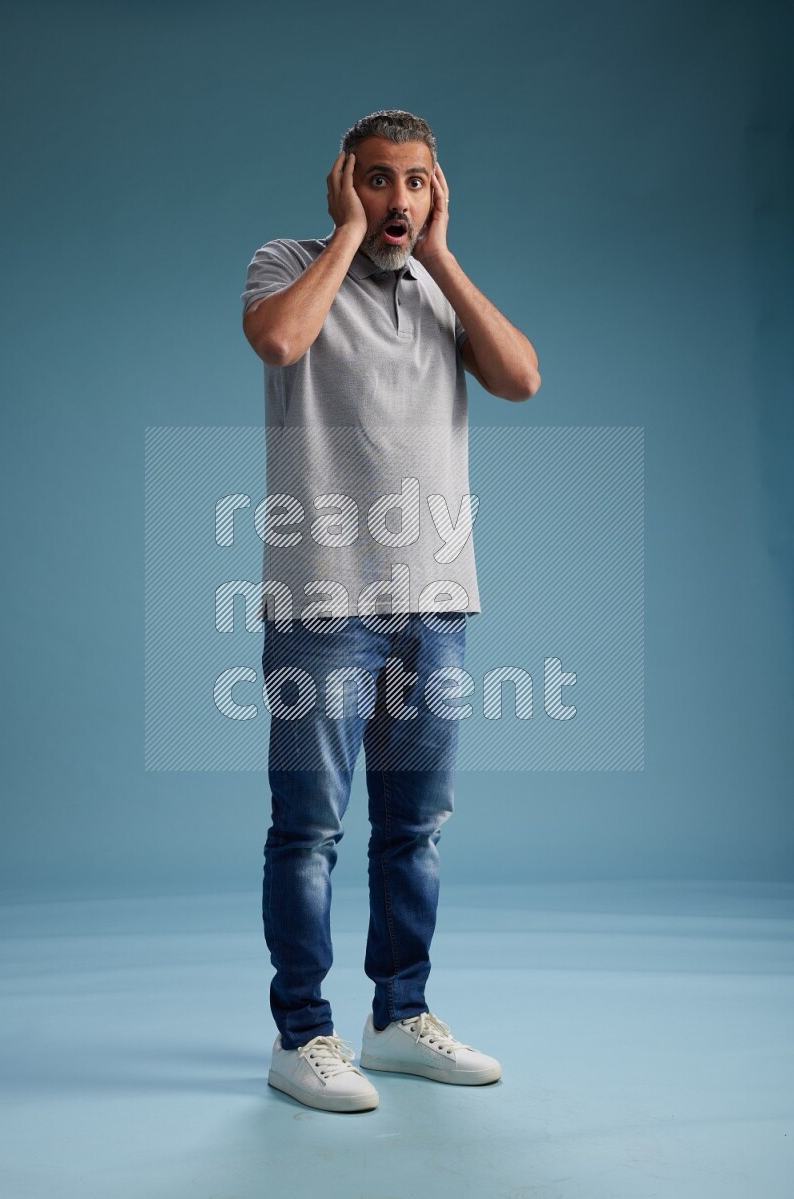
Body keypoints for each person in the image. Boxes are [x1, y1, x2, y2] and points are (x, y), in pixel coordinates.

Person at [241, 110, 540, 1113]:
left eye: (415, 181)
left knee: (414, 828)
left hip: (435, 602)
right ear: (342, 183)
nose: (397, 199)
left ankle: (396, 1016)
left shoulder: (437, 289)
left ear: (435, 192)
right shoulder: (287, 261)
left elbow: (520, 377)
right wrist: (340, 236)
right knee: (310, 829)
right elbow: (280, 340)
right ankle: (303, 1035)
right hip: (324, 599)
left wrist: (442, 258)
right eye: (377, 179)